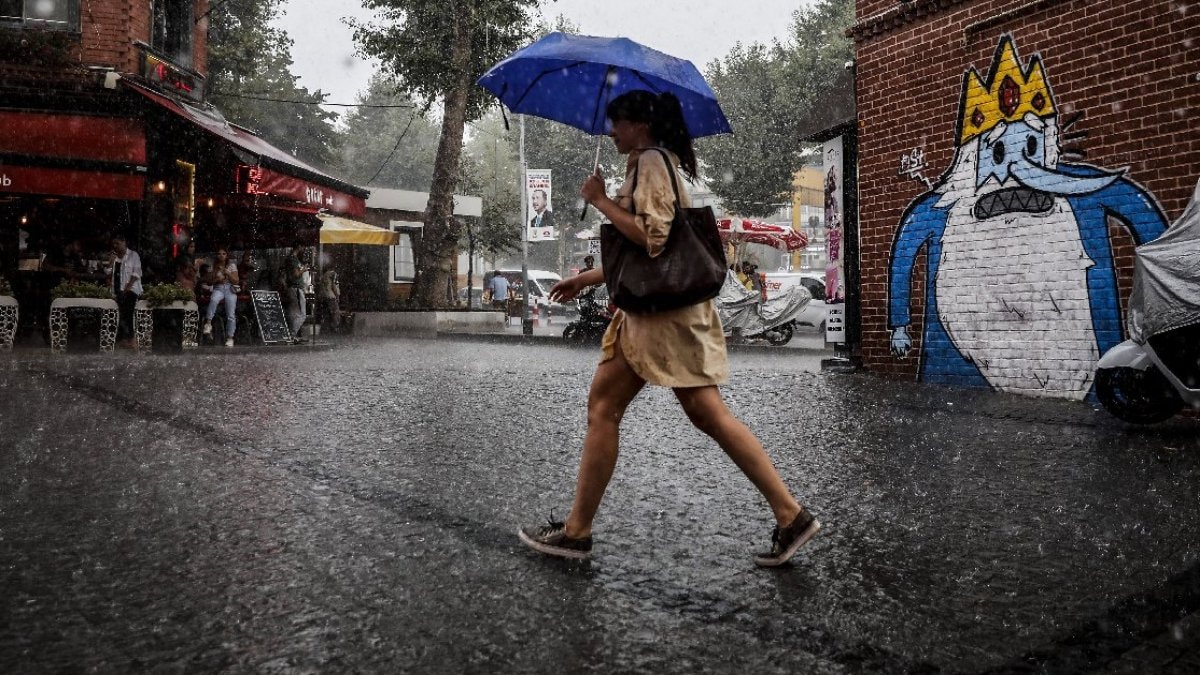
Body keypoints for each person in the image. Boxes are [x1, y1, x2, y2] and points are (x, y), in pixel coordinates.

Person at [518, 90, 820, 567]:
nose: (610, 130)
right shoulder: (650, 162)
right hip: (657, 315)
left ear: (640, 125)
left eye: (616, 122)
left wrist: (598, 201)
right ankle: (790, 516)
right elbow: (647, 254)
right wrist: (587, 277)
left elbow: (652, 239)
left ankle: (578, 532)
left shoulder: (652, 162)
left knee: (639, 410)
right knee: (650, 410)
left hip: (662, 319)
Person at [107, 235, 142, 348]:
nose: (115, 246)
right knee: (117, 312)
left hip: (131, 289)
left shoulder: (133, 255)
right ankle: (122, 338)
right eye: (114, 244)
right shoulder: (115, 257)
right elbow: (107, 273)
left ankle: (131, 339)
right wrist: (110, 262)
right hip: (117, 289)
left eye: (117, 243)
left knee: (128, 310)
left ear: (124, 242)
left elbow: (137, 272)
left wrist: (128, 286)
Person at [201, 247, 239, 347]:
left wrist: (228, 273)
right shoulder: (213, 266)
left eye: (223, 254)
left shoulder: (231, 265)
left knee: (231, 314)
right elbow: (209, 282)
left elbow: (236, 281)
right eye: (219, 254)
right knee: (213, 300)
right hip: (218, 288)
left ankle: (230, 338)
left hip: (230, 288)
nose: (221, 256)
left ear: (227, 255)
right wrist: (216, 279)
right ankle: (208, 323)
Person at [284, 243, 307, 342]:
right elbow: (296, 273)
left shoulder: (290, 259)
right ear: (299, 247)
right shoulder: (293, 259)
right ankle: (291, 335)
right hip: (296, 288)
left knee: (293, 313)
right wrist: (304, 269)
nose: (304, 249)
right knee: (302, 314)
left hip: (292, 288)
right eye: (303, 247)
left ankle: (292, 335)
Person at [319, 265, 341, 333]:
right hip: (331, 296)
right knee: (335, 313)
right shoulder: (333, 274)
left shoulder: (323, 276)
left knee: (326, 313)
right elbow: (333, 285)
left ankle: (325, 329)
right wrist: (337, 296)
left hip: (324, 296)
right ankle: (335, 328)